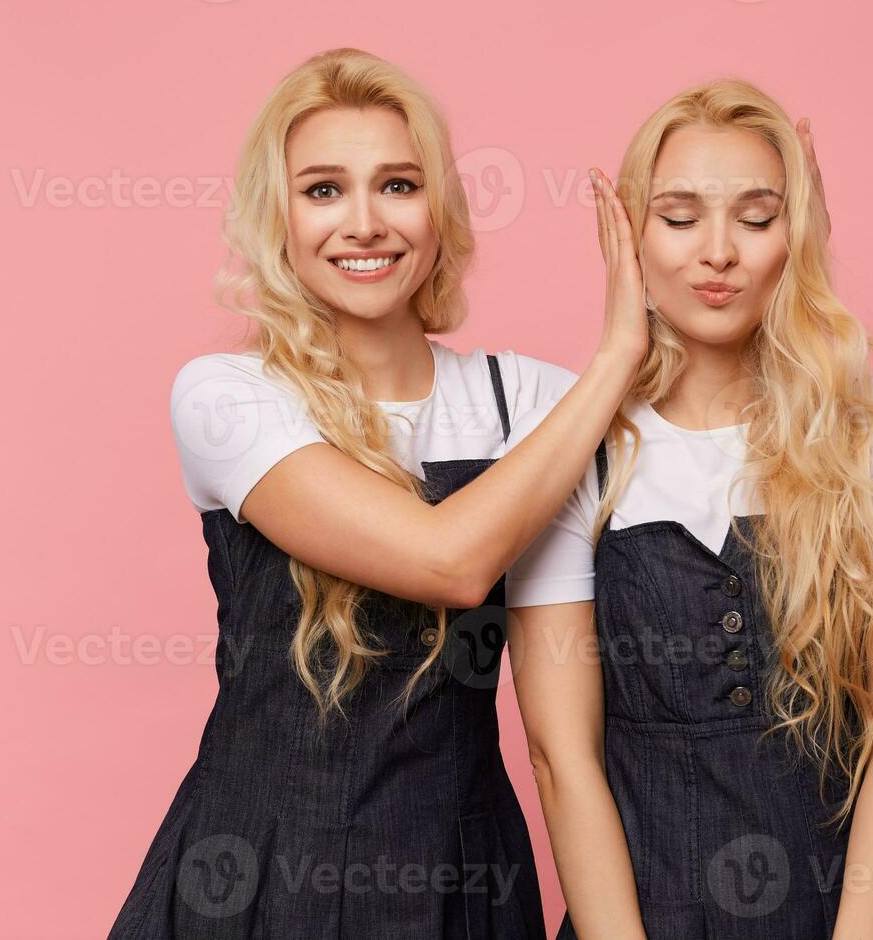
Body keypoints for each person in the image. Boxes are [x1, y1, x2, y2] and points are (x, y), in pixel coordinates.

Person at [107, 47, 647, 939]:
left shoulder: (534, 405)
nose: (364, 223)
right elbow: (452, 560)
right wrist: (617, 356)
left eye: (398, 185)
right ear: (276, 216)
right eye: (323, 190)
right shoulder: (226, 397)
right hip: (255, 872)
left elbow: (560, 740)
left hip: (461, 883)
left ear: (439, 209)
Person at [506, 79, 873, 939]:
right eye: (679, 218)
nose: (717, 252)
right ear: (629, 233)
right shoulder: (573, 443)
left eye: (756, 219)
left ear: (797, 237)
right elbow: (560, 758)